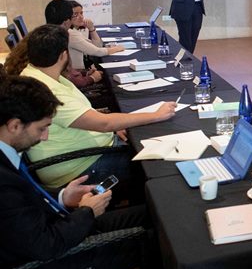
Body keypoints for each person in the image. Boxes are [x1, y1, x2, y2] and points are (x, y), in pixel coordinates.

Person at [0, 72, 145, 269]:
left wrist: (62, 197)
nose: (45, 137)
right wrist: (87, 212)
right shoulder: (3, 182)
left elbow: (24, 204)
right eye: (42, 128)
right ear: (14, 125)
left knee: (154, 216)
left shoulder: (8, 153)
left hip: (61, 230)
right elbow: (45, 245)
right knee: (159, 242)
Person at [19, 24, 177, 188]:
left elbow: (89, 117)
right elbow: (103, 124)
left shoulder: (37, 75)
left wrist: (113, 128)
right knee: (157, 165)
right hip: (80, 168)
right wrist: (156, 115)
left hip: (85, 153)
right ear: (63, 55)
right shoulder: (47, 91)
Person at [44, 0, 124, 70]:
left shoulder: (81, 29)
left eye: (81, 13)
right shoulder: (70, 34)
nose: (81, 17)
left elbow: (97, 46)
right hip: (78, 72)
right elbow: (98, 51)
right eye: (75, 14)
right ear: (67, 18)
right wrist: (118, 48)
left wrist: (92, 29)